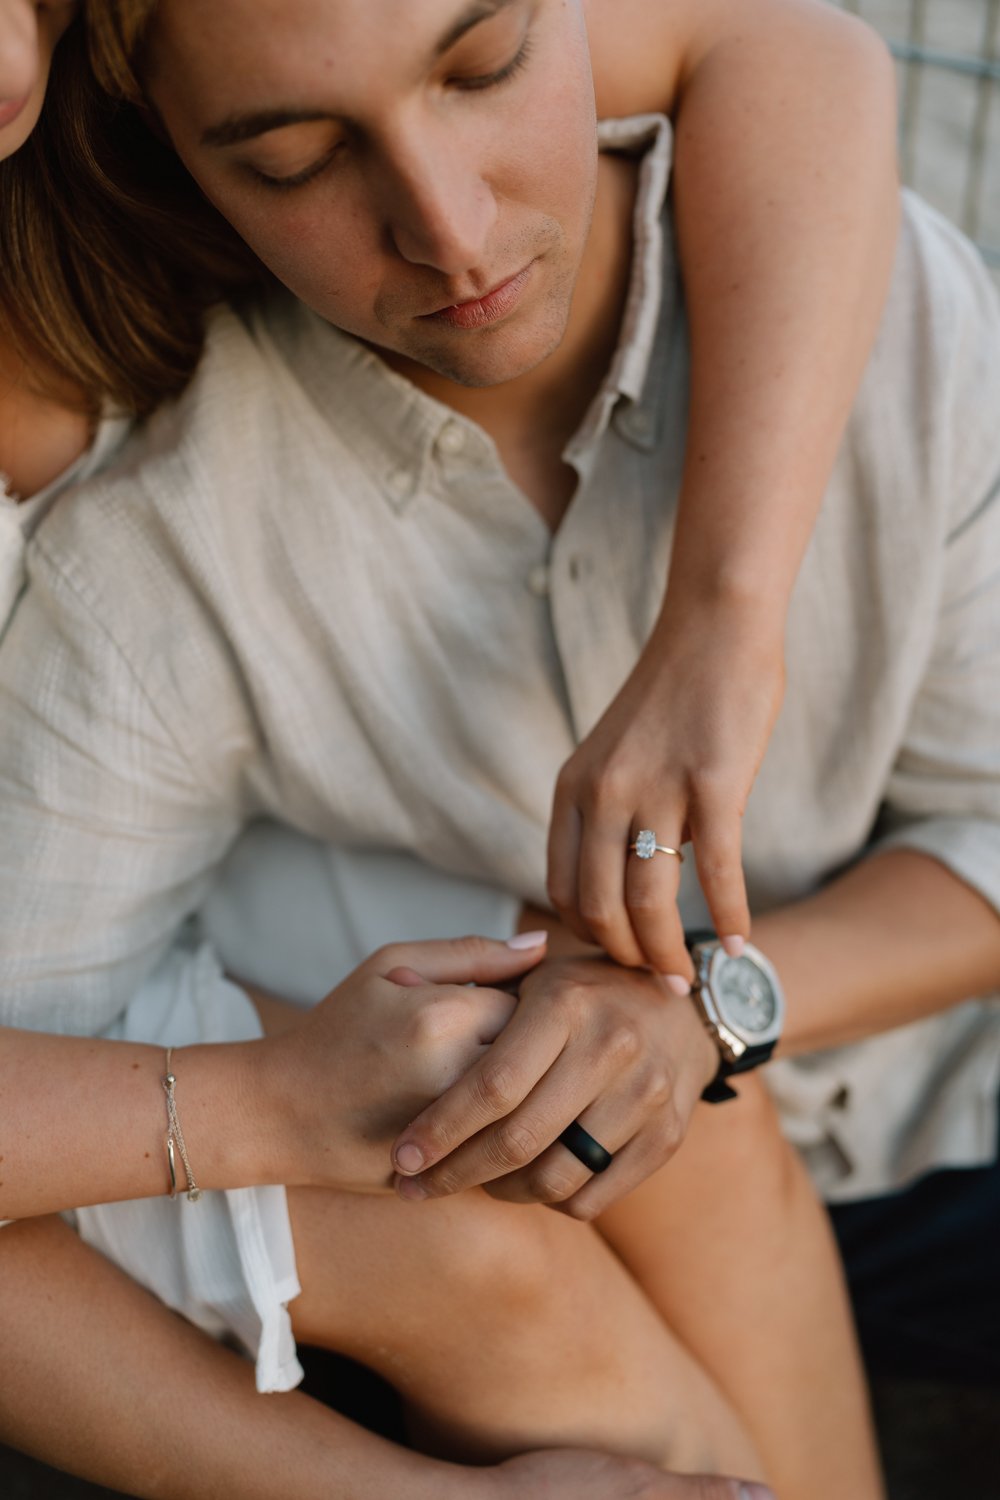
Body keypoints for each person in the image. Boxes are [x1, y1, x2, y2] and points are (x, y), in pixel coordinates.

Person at [0, 1, 909, 1497]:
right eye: (291, 157)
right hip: (68, 979)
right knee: (496, 1275)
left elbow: (799, 48)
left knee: (623, 1094)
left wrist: (720, 618)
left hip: (96, 881)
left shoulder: (142, 87)